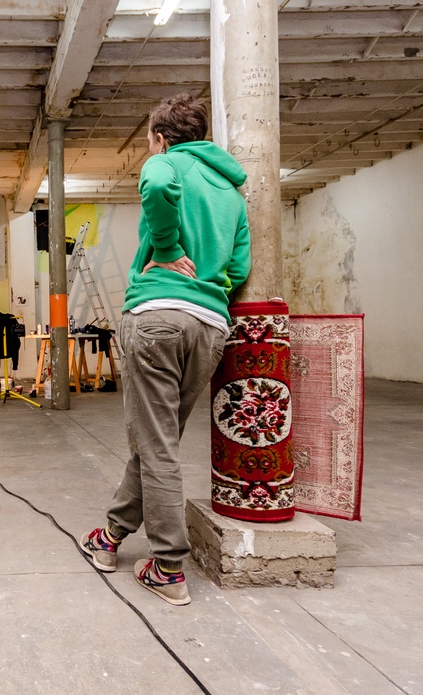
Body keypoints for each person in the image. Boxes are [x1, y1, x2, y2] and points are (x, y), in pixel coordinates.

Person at [80, 93, 250, 606]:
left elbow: (154, 181)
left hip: (158, 318)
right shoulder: (232, 194)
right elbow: (239, 269)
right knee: (160, 437)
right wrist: (210, 281)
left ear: (159, 136)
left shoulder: (165, 163)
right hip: (211, 325)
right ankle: (110, 537)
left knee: (156, 444)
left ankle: (168, 567)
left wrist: (170, 249)